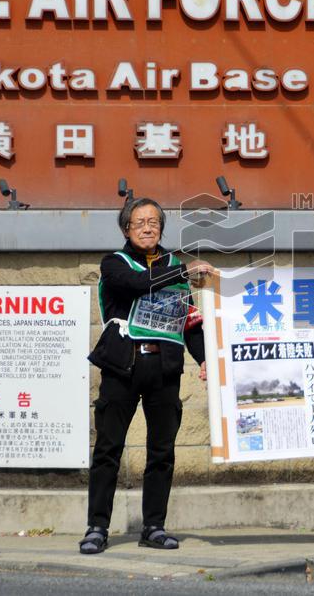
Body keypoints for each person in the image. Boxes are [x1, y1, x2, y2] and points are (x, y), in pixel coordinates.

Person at [79, 197, 214, 554]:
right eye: (139, 222)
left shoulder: (173, 266)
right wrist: (184, 271)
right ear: (126, 229)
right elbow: (139, 284)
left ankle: (153, 526)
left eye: (154, 221)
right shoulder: (114, 264)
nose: (148, 227)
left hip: (165, 369)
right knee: (108, 449)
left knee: (162, 451)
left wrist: (204, 360)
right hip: (122, 367)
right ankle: (97, 527)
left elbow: (190, 322)